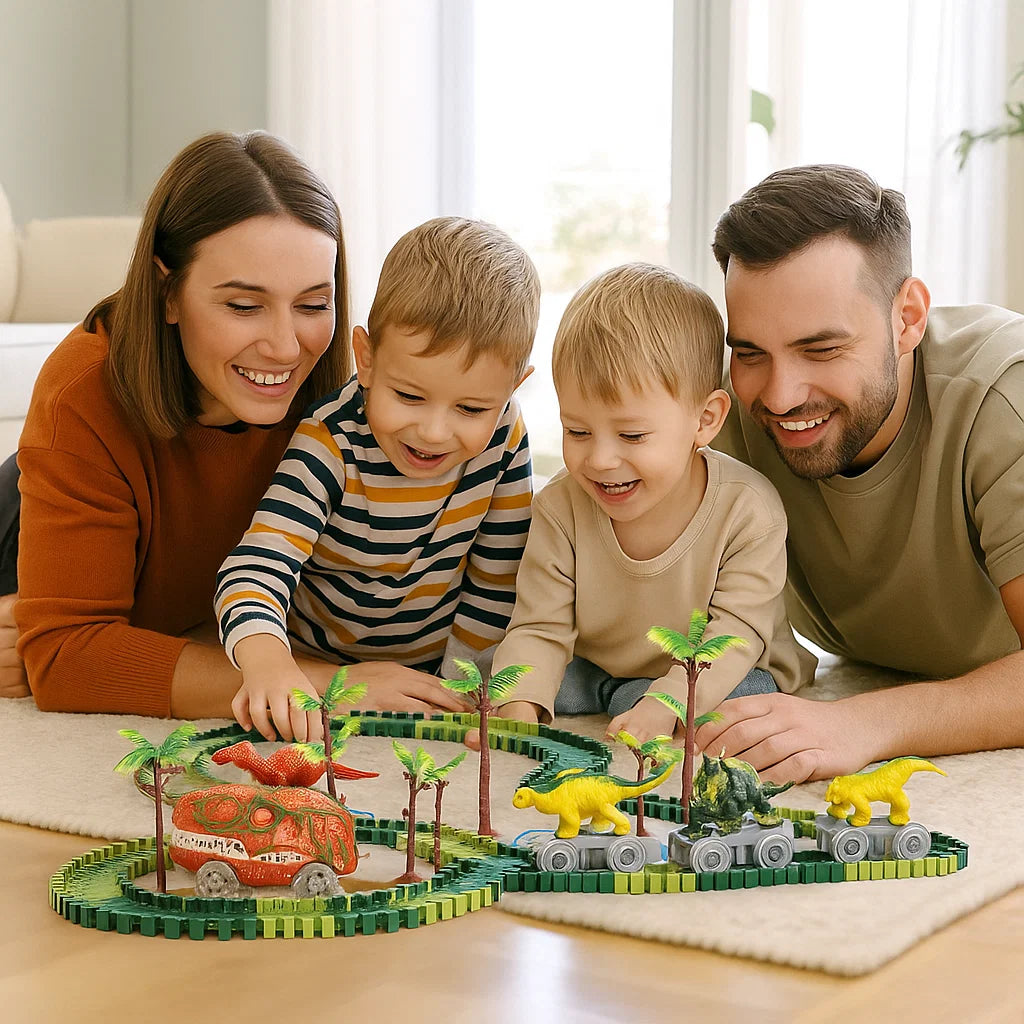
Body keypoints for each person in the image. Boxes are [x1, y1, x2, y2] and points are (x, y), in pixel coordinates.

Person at [7, 130, 464, 719]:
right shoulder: (82, 392)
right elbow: (67, 659)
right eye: (244, 306)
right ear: (166, 292)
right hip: (23, 513)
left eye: (311, 304)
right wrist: (324, 686)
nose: (284, 346)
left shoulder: (344, 403)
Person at [707, 163, 1024, 783]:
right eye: (749, 353)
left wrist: (865, 722)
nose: (778, 396)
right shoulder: (729, 412)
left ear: (907, 318)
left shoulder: (1002, 398)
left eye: (820, 349)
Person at [215, 216, 540, 743]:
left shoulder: (504, 435)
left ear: (512, 389)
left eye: (472, 407)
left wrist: (463, 691)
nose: (434, 432)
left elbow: (496, 579)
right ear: (365, 359)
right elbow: (256, 568)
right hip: (318, 666)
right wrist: (271, 667)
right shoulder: (330, 442)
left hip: (433, 669)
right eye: (408, 396)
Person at [486, 263, 816, 744]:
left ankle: (637, 696)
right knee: (506, 670)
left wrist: (667, 702)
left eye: (632, 435)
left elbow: (736, 633)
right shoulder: (560, 506)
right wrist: (517, 704)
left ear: (705, 420)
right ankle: (618, 692)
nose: (599, 459)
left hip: (727, 666)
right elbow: (540, 624)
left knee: (747, 699)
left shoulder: (749, 511)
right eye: (577, 431)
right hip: (601, 661)